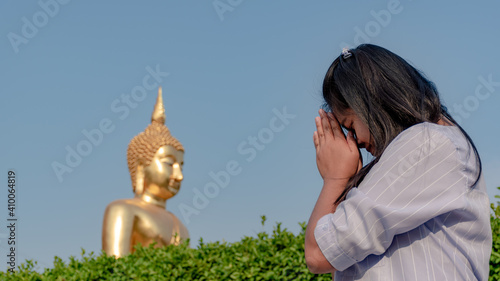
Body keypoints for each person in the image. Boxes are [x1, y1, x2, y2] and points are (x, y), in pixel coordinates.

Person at [304, 44, 492, 280]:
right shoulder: (428, 145)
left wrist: (335, 178)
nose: (356, 142)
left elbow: (319, 254)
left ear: (370, 100)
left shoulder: (426, 143)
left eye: (350, 126)